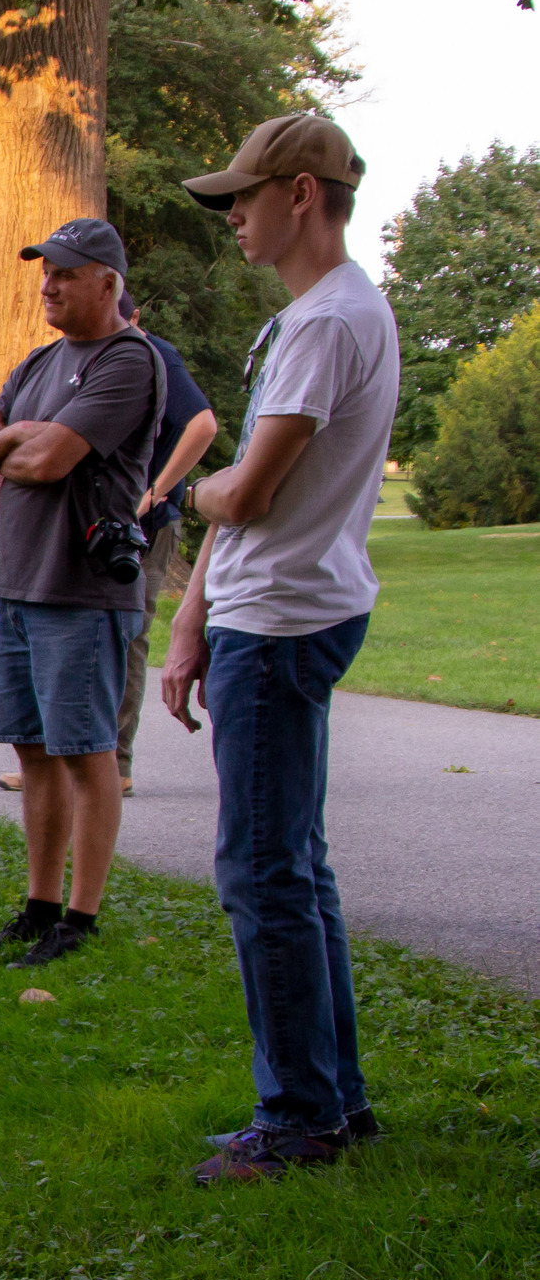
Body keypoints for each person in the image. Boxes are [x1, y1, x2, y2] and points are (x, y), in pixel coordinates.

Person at [161, 114, 395, 1183]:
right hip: (281, 608)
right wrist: (190, 613)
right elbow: (259, 502)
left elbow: (246, 493)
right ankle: (333, 1102)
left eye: (244, 199)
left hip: (282, 621)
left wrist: (178, 494)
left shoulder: (325, 323)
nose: (234, 219)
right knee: (296, 866)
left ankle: (297, 1116)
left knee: (262, 872)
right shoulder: (338, 312)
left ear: (302, 194)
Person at [0, 218, 166, 968]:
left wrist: (9, 437)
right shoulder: (39, 362)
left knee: (86, 750)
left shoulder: (127, 361)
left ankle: (81, 915)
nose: (48, 284)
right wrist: (14, 437)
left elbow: (44, 462)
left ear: (107, 281)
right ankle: (39, 904)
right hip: (17, 583)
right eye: (45, 271)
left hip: (80, 590)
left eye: (65, 273)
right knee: (33, 751)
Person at [0, 290, 216, 796]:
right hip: (74, 525)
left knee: (124, 637)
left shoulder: (150, 353)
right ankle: (53, 756)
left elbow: (203, 424)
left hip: (135, 527)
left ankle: (114, 762)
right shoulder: (57, 360)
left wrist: (156, 490)